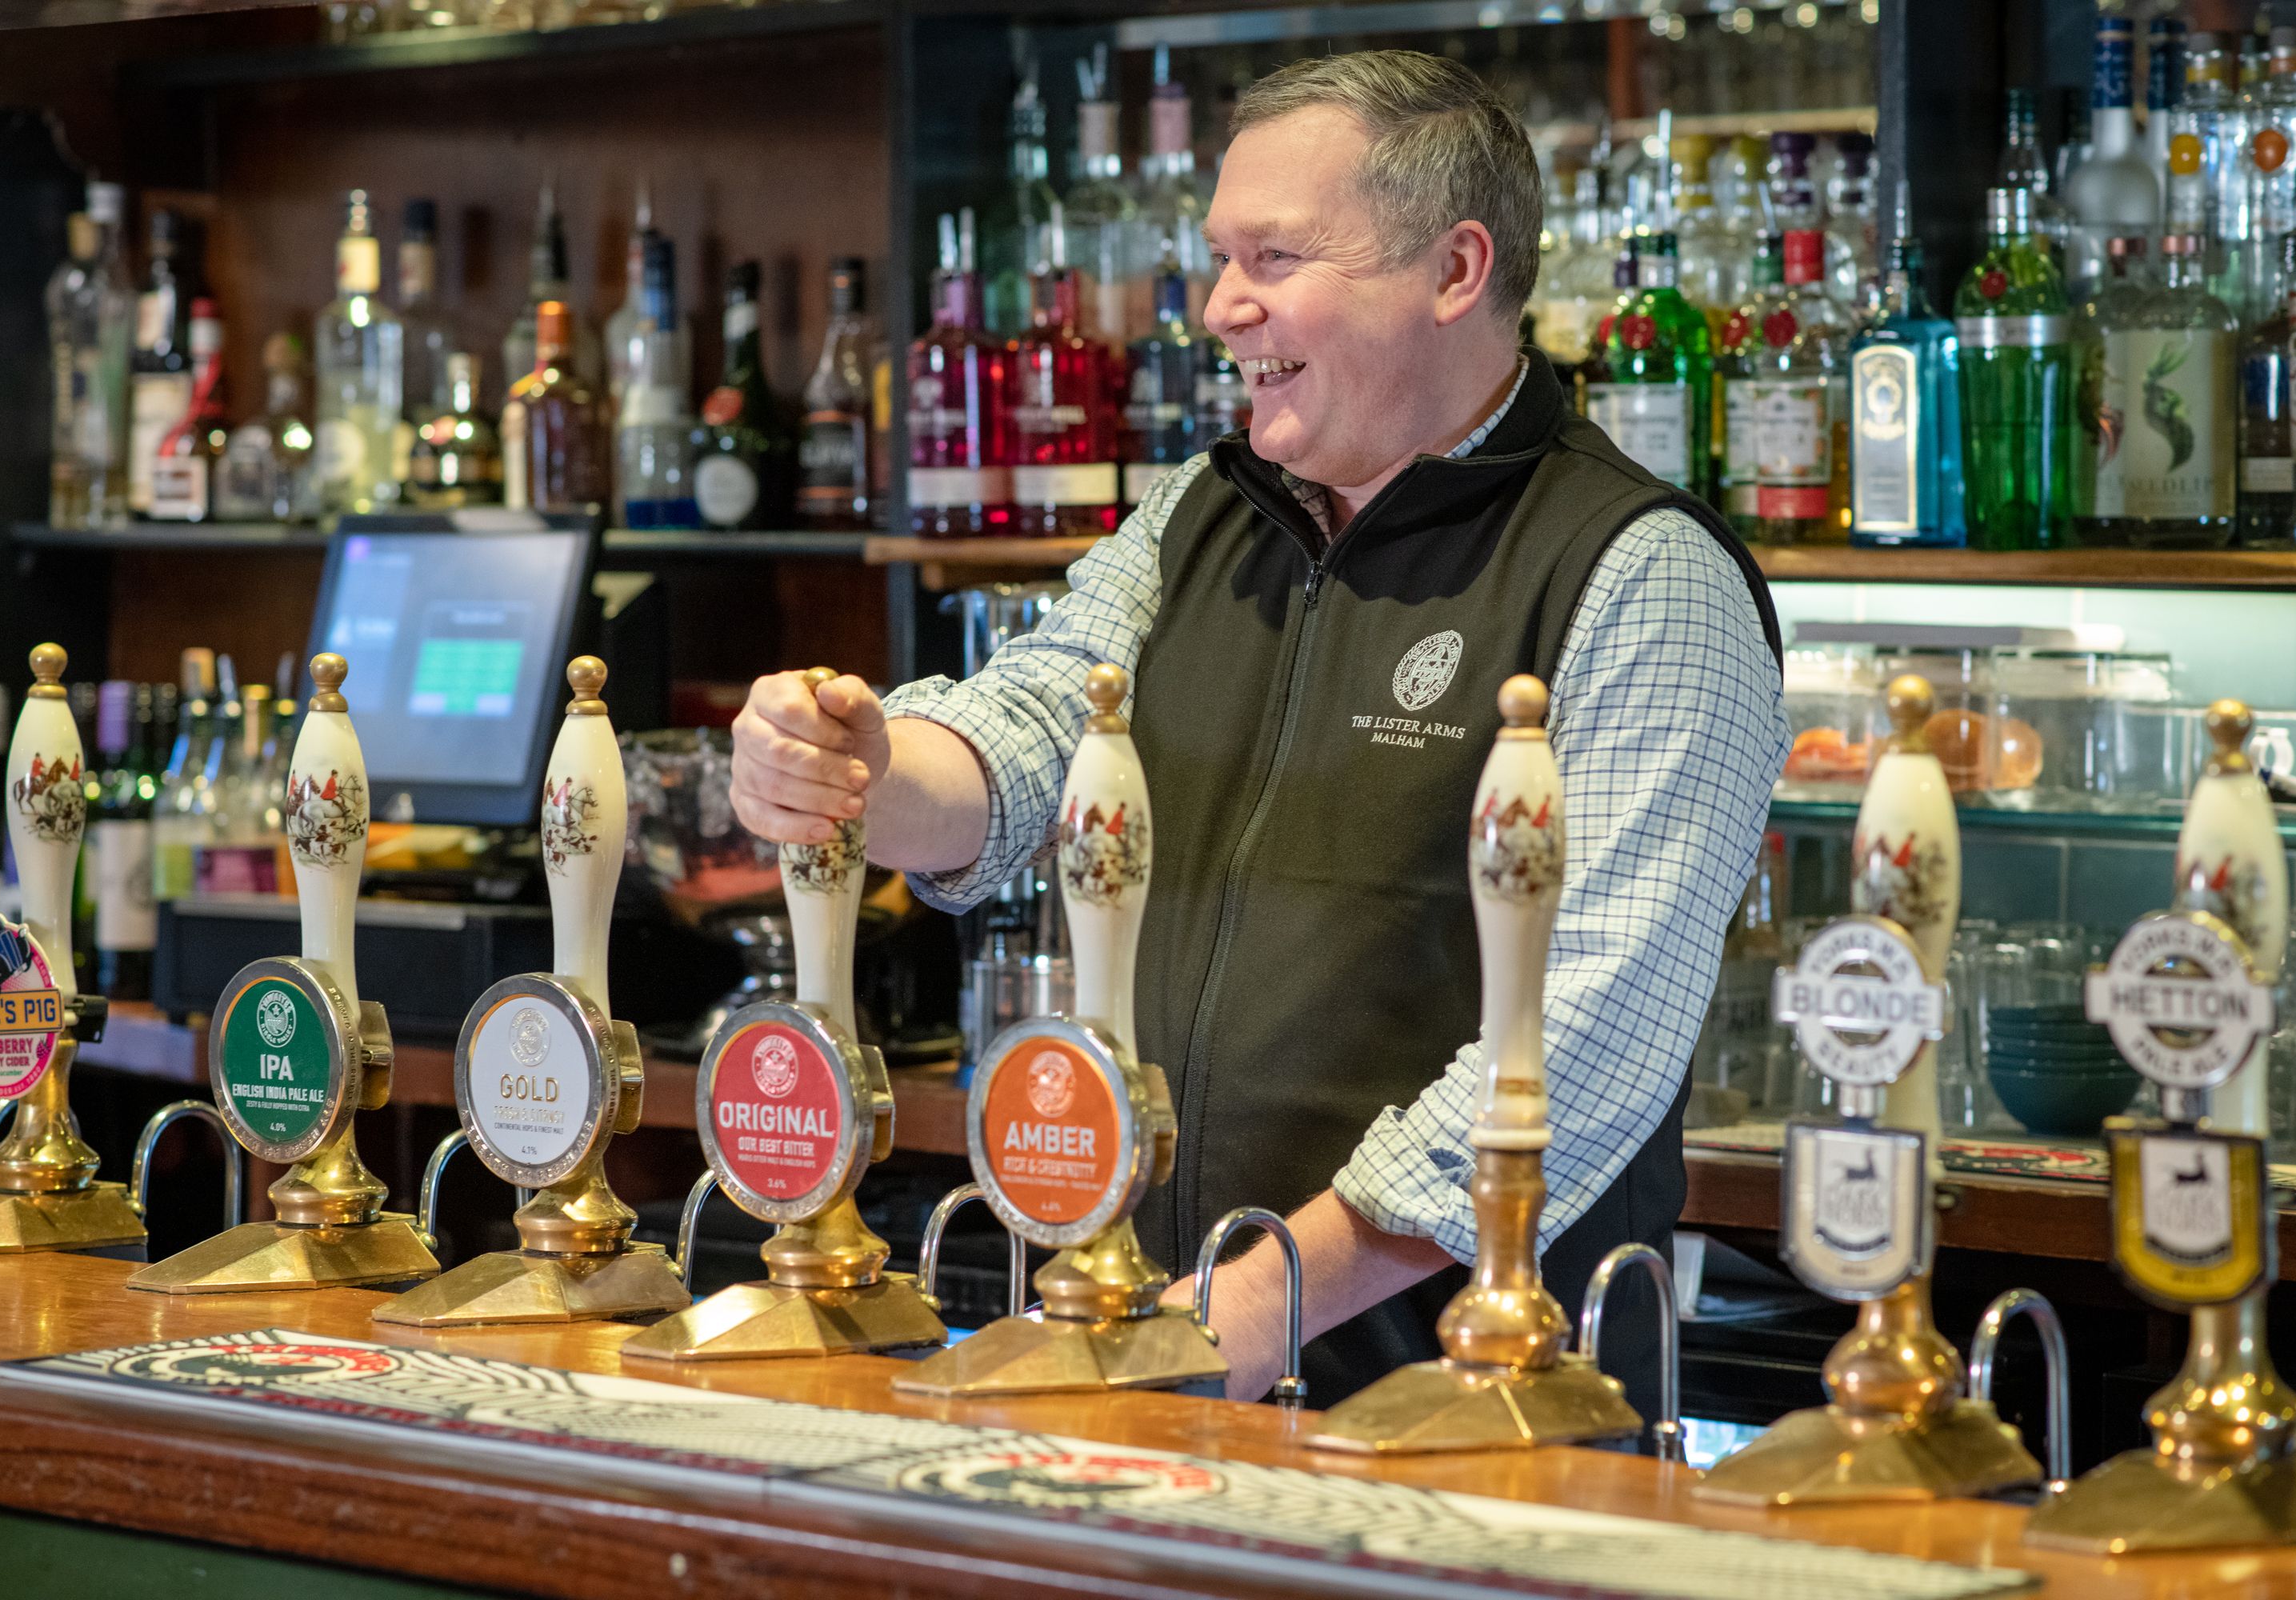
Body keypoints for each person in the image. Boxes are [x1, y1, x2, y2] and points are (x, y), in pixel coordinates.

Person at [730, 50, 1788, 1411]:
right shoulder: (1202, 516)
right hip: (1176, 1355)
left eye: (1274, 258)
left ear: (1456, 270)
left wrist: (1259, 1305)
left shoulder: (1640, 570)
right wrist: (857, 767)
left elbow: (1591, 1035)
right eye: (1220, 259)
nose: (1221, 308)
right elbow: (1024, 736)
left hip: (1480, 1410)